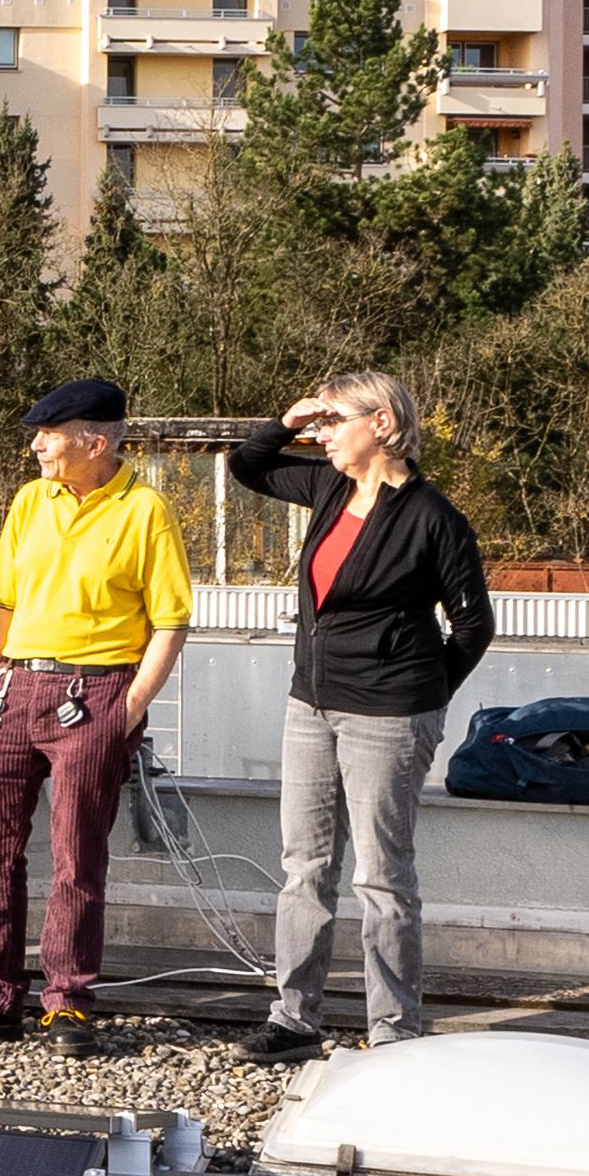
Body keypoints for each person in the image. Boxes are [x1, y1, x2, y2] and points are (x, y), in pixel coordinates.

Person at [231, 370, 494, 1063]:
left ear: (381, 423)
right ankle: (294, 1019)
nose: (322, 436)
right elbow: (247, 467)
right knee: (305, 867)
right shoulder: (327, 488)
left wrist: (418, 696)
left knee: (381, 876)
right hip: (310, 705)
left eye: (334, 421)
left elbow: (473, 627)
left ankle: (393, 1032)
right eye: (318, 425)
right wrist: (287, 422)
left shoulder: (433, 518)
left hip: (389, 715)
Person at [0, 379, 191, 1056]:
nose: (37, 446)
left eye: (49, 435)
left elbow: (170, 622)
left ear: (96, 442)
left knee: (77, 857)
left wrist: (126, 711)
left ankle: (67, 1001)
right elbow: (6, 604)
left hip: (96, 692)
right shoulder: (30, 501)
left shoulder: (145, 511)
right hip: (9, 690)